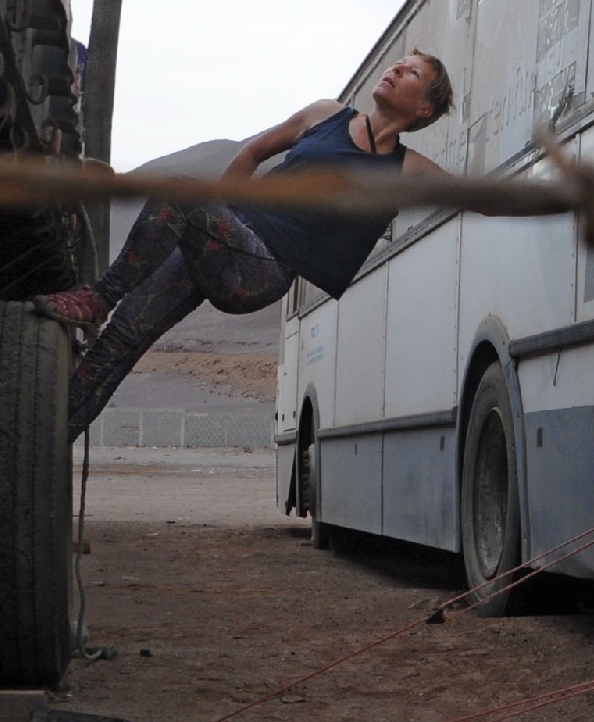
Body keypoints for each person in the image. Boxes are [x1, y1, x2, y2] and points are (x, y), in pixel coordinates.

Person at [36, 51, 453, 440]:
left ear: (424, 110)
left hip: (263, 271)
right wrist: (220, 218)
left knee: (180, 191)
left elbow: (482, 200)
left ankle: (98, 298)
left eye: (412, 72)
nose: (396, 70)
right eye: (398, 64)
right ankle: (41, 451)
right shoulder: (325, 114)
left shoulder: (407, 169)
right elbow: (253, 152)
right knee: (122, 337)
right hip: (228, 240)